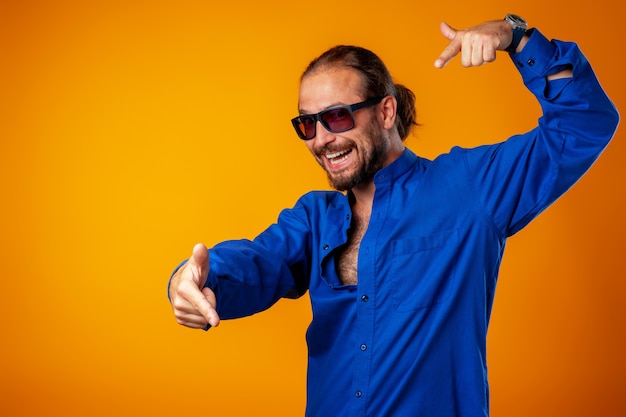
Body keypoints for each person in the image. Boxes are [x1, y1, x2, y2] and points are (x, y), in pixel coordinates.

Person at [168, 15, 619, 417]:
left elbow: (584, 123)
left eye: (338, 117)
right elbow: (253, 264)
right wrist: (188, 281)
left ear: (386, 111)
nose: (322, 139)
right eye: (308, 124)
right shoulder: (314, 218)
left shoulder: (470, 188)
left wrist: (517, 37)